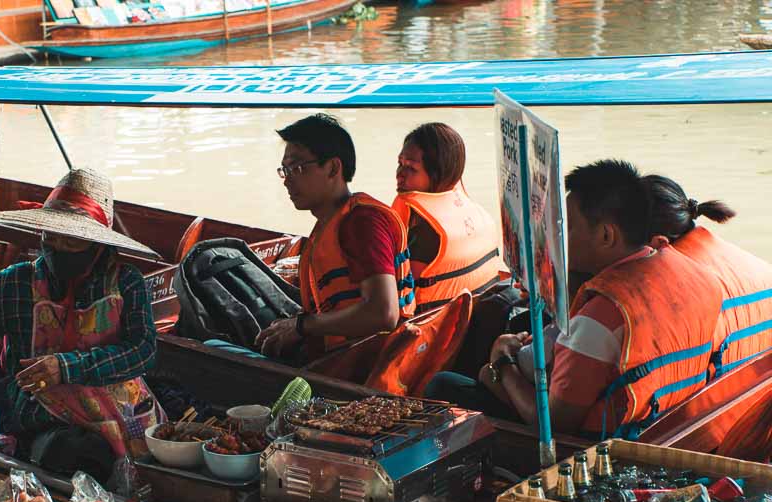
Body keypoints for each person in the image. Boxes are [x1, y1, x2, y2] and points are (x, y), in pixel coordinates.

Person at [428, 160, 723, 439]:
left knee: (445, 385)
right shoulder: (691, 273)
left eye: (567, 227)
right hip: (660, 425)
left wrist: (502, 363)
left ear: (607, 235)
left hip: (594, 450)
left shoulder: (602, 317)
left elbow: (555, 425)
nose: (559, 238)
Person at [0, 168, 164, 478]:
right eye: (51, 238)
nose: (59, 249)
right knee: (68, 451)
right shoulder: (15, 282)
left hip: (120, 412)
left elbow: (143, 350)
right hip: (42, 416)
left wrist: (66, 367)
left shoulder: (126, 283)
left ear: (96, 245)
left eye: (72, 243)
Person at [255, 114, 414, 360]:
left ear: (333, 168)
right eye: (284, 170)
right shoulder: (332, 221)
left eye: (297, 168)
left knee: (216, 345)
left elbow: (384, 313)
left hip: (351, 365)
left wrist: (301, 327)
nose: (287, 180)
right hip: (335, 354)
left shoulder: (361, 223)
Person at [643, 174, 772, 378]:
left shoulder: (668, 293)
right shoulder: (760, 268)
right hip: (756, 398)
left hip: (711, 406)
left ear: (656, 242)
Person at [392, 123, 505, 312]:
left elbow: (401, 300)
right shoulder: (477, 213)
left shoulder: (425, 237)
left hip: (439, 335)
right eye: (400, 163)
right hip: (476, 317)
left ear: (437, 173)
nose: (399, 174)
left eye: (411, 168)